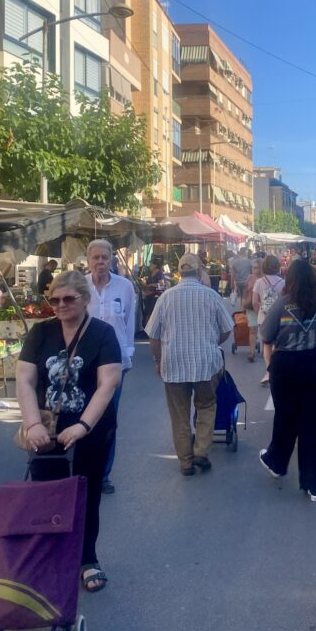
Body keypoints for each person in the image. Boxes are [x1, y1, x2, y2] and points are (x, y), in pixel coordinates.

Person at [16, 271, 121, 593]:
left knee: (86, 494)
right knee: (46, 495)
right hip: (46, 427)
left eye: (68, 299)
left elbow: (108, 383)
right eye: (54, 299)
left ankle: (87, 559)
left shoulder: (102, 334)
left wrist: (83, 425)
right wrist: (32, 422)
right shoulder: (40, 332)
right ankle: (52, 556)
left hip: (91, 426)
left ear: (84, 299)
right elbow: (25, 379)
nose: (60, 305)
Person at [259, 260, 316, 501]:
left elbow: (266, 336)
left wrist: (270, 366)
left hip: (288, 365)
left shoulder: (282, 303)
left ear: (290, 279)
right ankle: (314, 484)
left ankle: (277, 461)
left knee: (286, 416)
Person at [146, 253, 233, 476]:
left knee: (179, 413)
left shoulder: (166, 297)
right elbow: (226, 329)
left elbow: (153, 335)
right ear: (198, 271)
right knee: (206, 406)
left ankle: (185, 461)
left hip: (173, 363)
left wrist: (158, 360)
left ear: (179, 272)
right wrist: (212, 342)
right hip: (206, 363)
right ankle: (201, 452)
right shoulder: (211, 296)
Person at [85, 239, 135, 495]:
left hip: (114, 365)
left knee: (108, 420)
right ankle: (83, 472)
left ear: (112, 259)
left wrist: (127, 356)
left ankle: (103, 474)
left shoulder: (125, 287)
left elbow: (129, 323)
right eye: (96, 257)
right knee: (82, 416)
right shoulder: (80, 287)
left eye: (105, 257)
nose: (100, 262)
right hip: (83, 364)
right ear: (88, 260)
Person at [253, 254, 285, 384]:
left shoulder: (259, 282)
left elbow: (255, 302)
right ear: (277, 267)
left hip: (264, 318)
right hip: (280, 318)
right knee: (278, 345)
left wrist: (259, 313)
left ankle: (269, 371)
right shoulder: (283, 283)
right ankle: (279, 370)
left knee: (267, 344)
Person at [241, 258, 263, 363]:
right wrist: (243, 305)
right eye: (253, 267)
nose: (254, 269)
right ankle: (252, 353)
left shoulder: (264, 279)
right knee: (253, 330)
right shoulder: (250, 278)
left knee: (263, 330)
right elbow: (245, 292)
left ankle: (264, 351)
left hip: (263, 307)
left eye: (256, 267)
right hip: (251, 306)